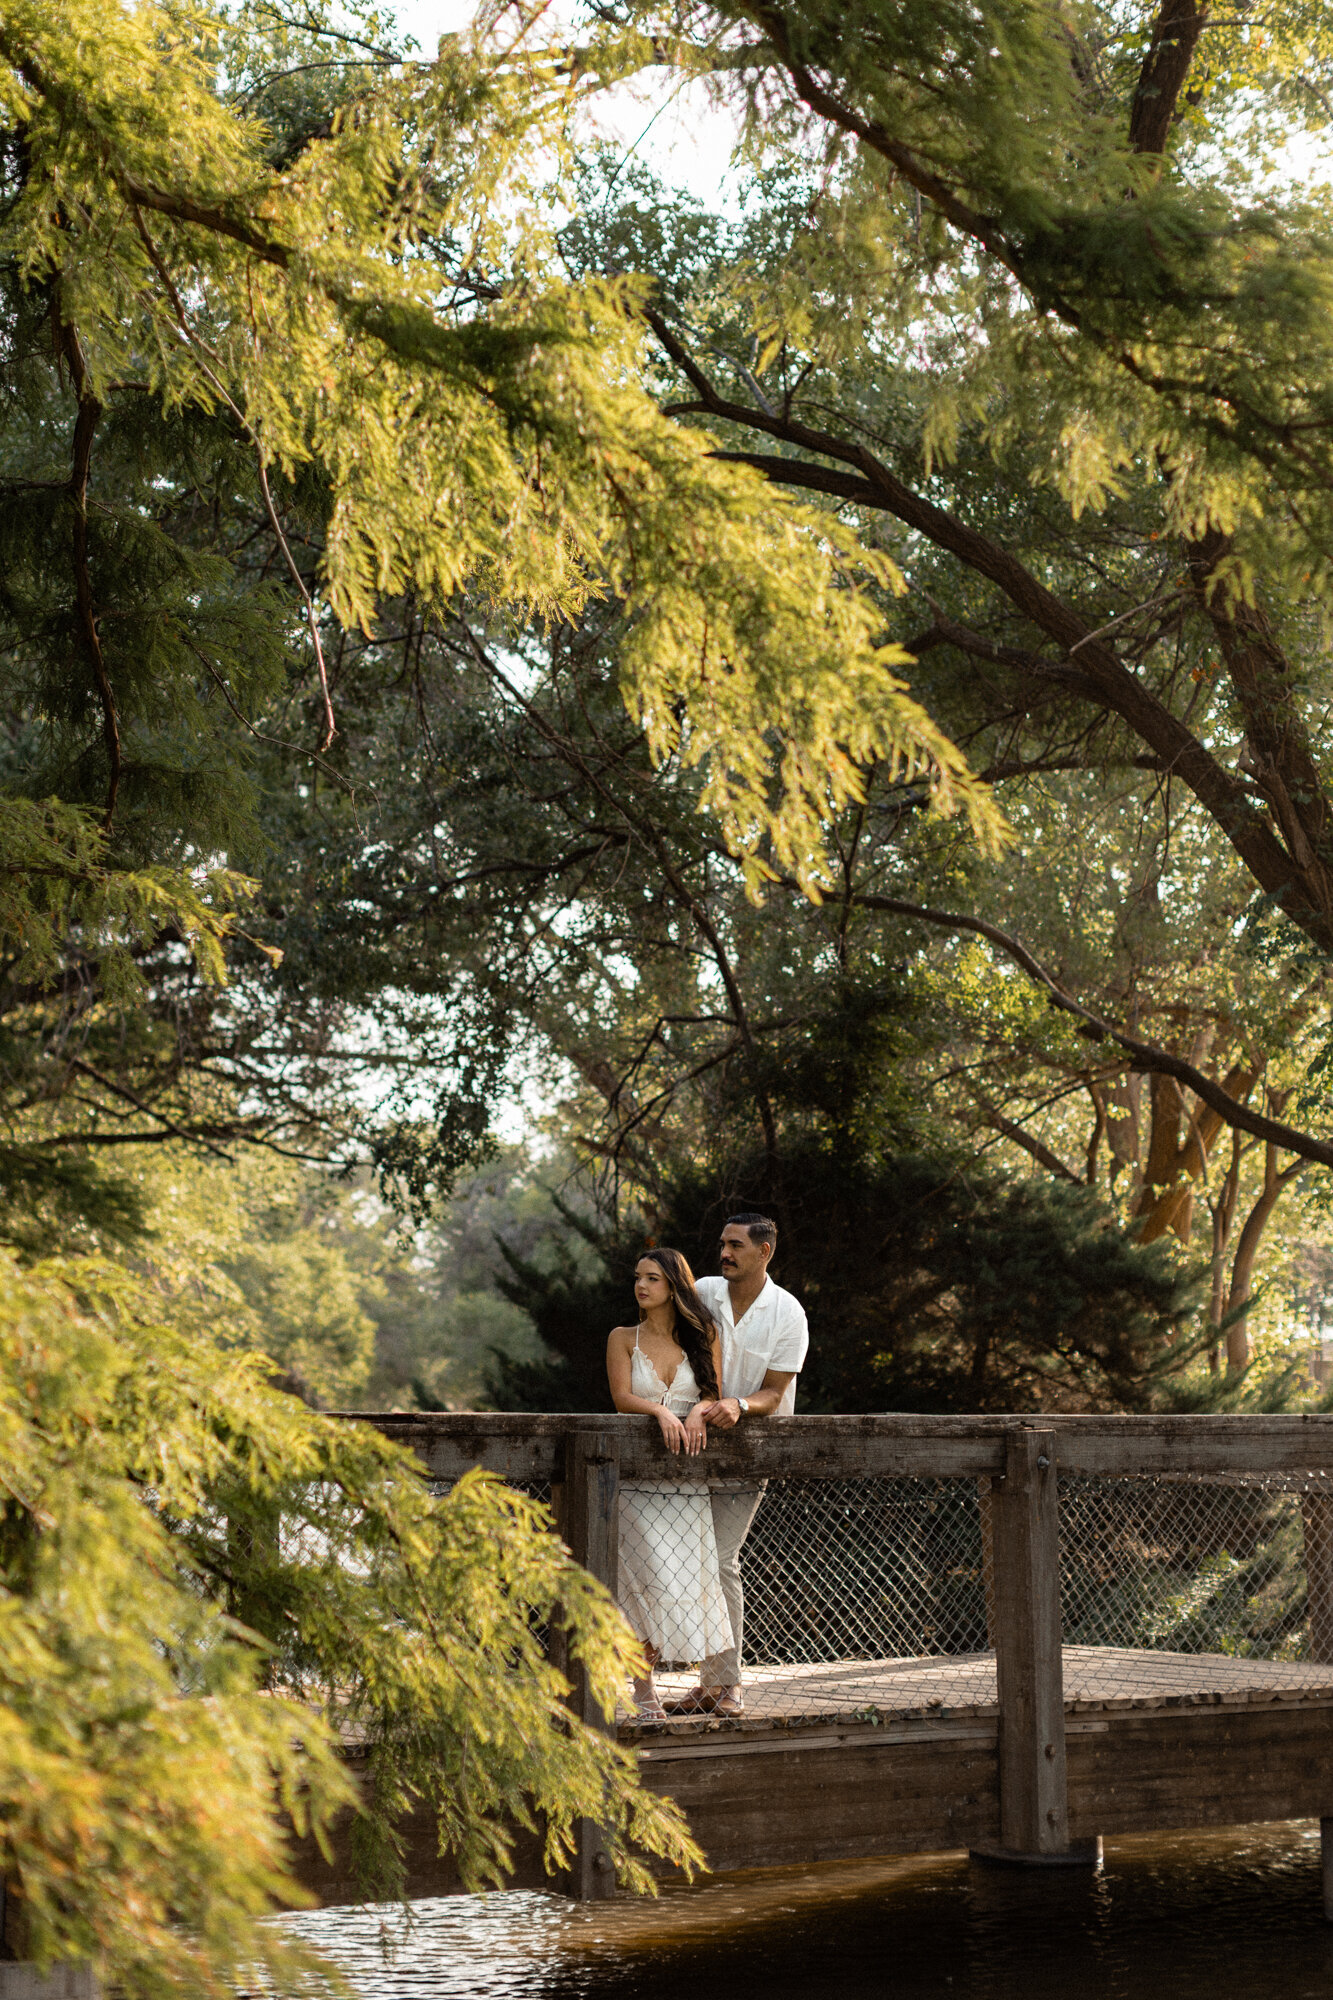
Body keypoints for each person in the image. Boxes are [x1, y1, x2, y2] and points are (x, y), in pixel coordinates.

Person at [666, 1212, 809, 1718]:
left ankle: (729, 1686)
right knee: (692, 1562)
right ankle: (708, 1683)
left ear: (764, 1251)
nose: (723, 1253)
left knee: (720, 1559)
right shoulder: (703, 1290)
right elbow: (665, 1339)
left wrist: (738, 1405)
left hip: (750, 1454)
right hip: (693, 1447)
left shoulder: (788, 1312)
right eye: (722, 1244)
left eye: (735, 1246)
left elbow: (774, 1392)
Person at [606, 1248, 733, 1721]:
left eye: (653, 1279)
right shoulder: (622, 1338)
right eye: (638, 1277)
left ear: (674, 1286)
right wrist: (659, 1410)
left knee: (676, 1582)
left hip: (685, 1486)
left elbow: (711, 1394)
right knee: (642, 1583)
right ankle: (644, 1691)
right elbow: (621, 1398)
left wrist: (698, 1410)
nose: (641, 1287)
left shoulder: (704, 1337)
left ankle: (660, 1685)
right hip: (636, 1486)